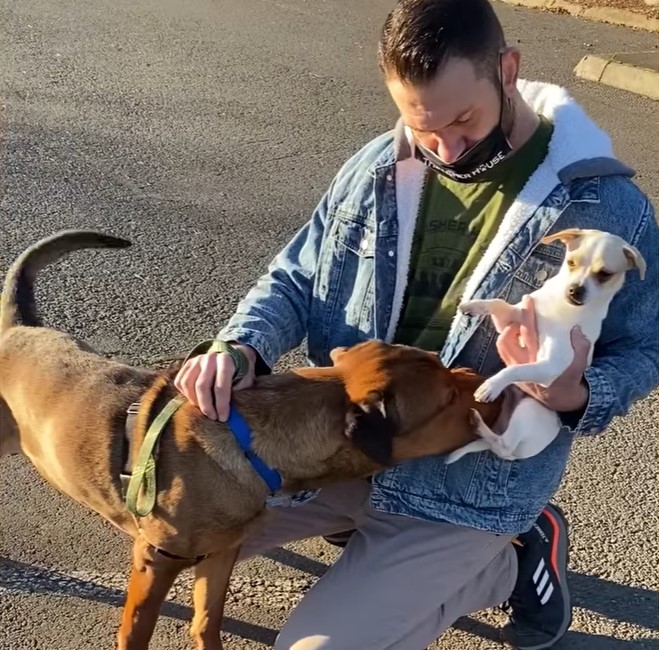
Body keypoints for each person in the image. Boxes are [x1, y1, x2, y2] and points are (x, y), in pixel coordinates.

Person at [174, 0, 659, 647]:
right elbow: (294, 277)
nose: (446, 149)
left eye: (464, 119)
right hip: (333, 449)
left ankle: (510, 558)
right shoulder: (376, 168)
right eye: (421, 124)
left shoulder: (605, 209)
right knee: (173, 528)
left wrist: (575, 396)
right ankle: (374, 547)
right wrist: (239, 346)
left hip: (462, 491)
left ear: (506, 70)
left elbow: (645, 346)